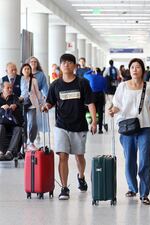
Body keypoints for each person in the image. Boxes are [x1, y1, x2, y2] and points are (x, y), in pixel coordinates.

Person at [42, 53, 97, 200]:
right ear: (60, 66)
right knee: (63, 156)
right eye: (63, 63)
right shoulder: (55, 85)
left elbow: (90, 102)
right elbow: (50, 102)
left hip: (79, 125)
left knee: (79, 157)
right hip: (61, 125)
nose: (66, 65)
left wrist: (94, 121)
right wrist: (46, 106)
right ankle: (64, 188)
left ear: (74, 66)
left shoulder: (82, 83)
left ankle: (81, 176)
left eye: (69, 62)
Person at [108, 58, 150, 205]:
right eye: (132, 67)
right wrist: (112, 111)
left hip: (145, 127)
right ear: (129, 70)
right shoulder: (122, 86)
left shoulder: (149, 86)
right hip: (127, 127)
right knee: (129, 160)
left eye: (138, 67)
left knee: (144, 160)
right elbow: (117, 105)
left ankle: (144, 193)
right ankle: (132, 187)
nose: (135, 69)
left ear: (142, 70)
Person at [20, 63, 42, 149]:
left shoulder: (34, 80)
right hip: (22, 105)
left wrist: (41, 103)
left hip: (32, 104)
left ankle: (31, 141)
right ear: (22, 70)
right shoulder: (20, 79)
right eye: (25, 69)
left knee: (33, 124)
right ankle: (24, 142)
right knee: (24, 124)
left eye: (28, 69)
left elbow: (38, 92)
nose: (27, 70)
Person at [0, 82, 23, 161]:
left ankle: (10, 152)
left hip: (13, 124)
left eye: (11, 88)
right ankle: (0, 152)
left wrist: (15, 106)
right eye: (8, 88)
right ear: (2, 89)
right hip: (1, 123)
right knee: (0, 127)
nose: (10, 90)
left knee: (19, 129)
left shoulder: (14, 97)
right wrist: (1, 108)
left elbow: (18, 106)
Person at [83, 67, 106, 134]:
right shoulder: (103, 78)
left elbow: (85, 74)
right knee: (100, 112)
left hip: (92, 95)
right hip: (101, 95)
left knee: (91, 111)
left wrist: (91, 70)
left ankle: (89, 125)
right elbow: (105, 87)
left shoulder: (90, 76)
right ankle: (100, 129)